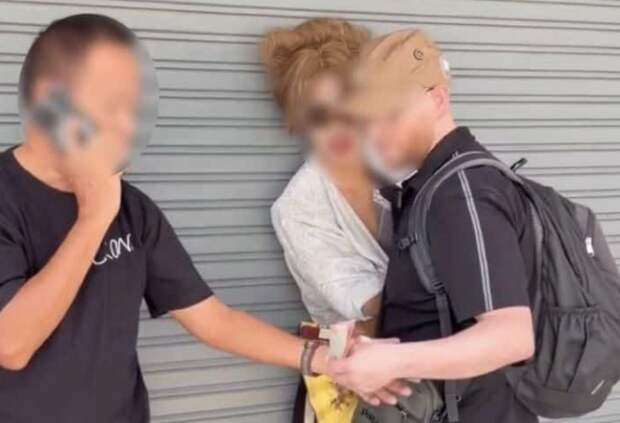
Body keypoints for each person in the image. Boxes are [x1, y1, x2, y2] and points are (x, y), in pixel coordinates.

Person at [0, 14, 410, 423]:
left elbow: (215, 322)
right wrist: (92, 220)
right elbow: (11, 345)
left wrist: (324, 360)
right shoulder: (19, 199)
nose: (128, 124)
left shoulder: (132, 210)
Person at [328, 30, 538, 423]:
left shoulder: (462, 193)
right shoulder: (433, 185)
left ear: (438, 100)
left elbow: (511, 337)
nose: (375, 132)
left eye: (390, 114)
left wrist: (394, 360)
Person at [259, 18, 395, 422]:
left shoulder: (406, 171)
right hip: (356, 393)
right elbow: (376, 305)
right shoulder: (299, 208)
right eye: (319, 115)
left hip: (445, 377)